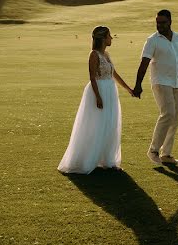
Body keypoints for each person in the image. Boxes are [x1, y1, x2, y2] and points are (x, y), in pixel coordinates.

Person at [58, 26, 135, 174]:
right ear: (103, 38)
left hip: (110, 90)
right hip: (99, 90)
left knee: (110, 124)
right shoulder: (94, 55)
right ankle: (89, 160)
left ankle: (108, 160)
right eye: (109, 36)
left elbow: (114, 73)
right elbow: (92, 77)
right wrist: (98, 96)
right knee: (97, 124)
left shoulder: (106, 54)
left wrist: (128, 88)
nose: (111, 38)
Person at [133, 9, 178, 165]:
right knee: (168, 113)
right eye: (157, 22)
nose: (159, 25)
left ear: (170, 21)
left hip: (177, 82)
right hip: (161, 82)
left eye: (162, 22)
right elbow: (144, 63)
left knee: (174, 119)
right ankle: (153, 150)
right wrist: (138, 84)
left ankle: (166, 154)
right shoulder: (152, 40)